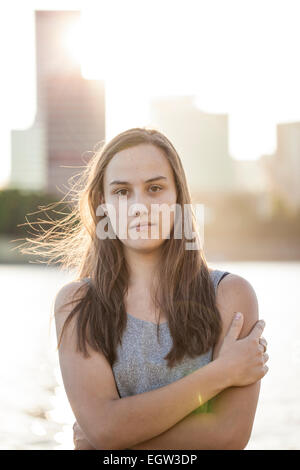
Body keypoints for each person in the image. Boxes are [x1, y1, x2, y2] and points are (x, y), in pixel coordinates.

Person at [45, 127, 268, 450]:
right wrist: (222, 373)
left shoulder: (230, 295)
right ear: (102, 205)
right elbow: (106, 430)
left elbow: (229, 435)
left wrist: (117, 439)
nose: (139, 206)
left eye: (155, 188)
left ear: (178, 197)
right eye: (122, 192)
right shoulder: (78, 304)